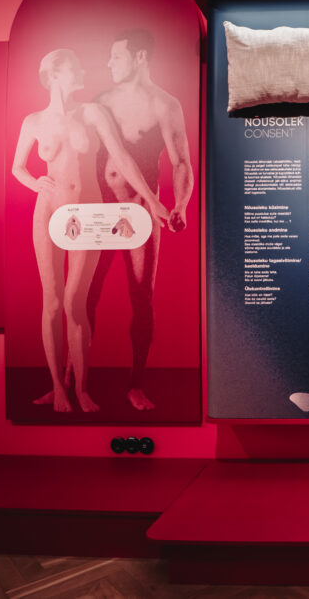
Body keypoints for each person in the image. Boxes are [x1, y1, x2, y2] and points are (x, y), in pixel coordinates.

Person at [12, 48, 169, 413]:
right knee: (51, 302)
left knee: (75, 302)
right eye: (75, 67)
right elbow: (17, 167)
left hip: (87, 213)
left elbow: (123, 158)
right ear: (54, 75)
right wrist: (36, 184)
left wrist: (152, 199)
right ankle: (58, 388)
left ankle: (81, 390)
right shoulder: (33, 121)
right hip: (48, 211)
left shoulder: (93, 113)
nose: (83, 71)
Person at [85, 28, 194, 411]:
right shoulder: (101, 101)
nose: (109, 63)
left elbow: (182, 162)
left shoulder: (164, 105)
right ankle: (70, 381)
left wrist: (180, 204)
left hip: (140, 211)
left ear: (140, 57)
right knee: (84, 296)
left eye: (116, 56)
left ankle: (136, 384)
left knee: (142, 298)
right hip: (98, 211)